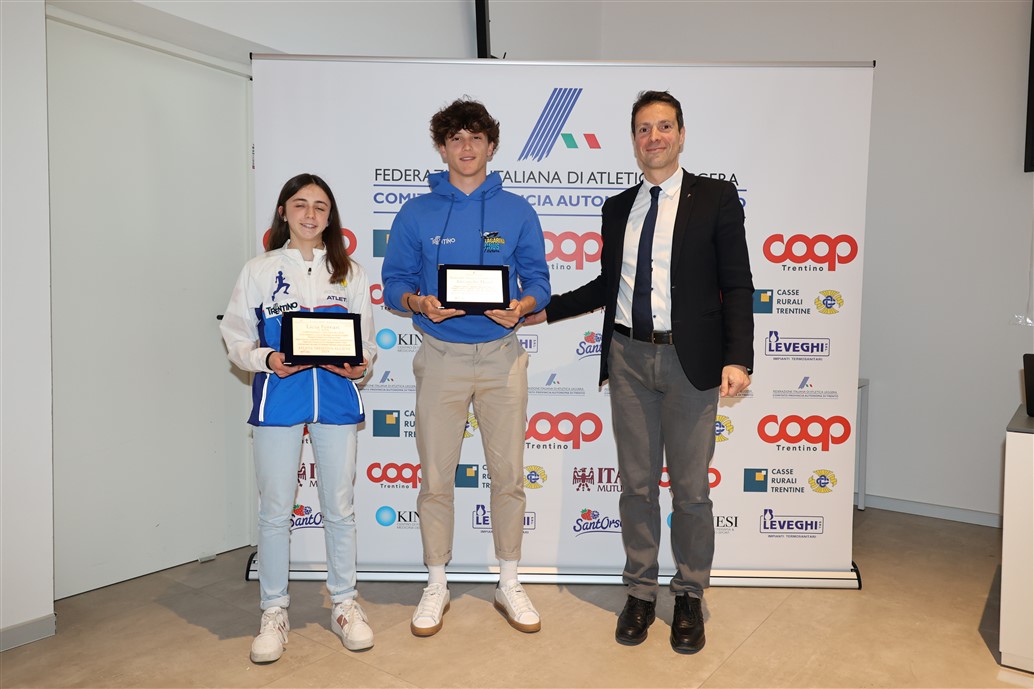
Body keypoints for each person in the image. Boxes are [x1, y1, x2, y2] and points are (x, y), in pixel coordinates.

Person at [524, 91, 754, 654]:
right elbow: (609, 284)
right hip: (627, 358)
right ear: (634, 140)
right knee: (637, 485)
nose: (655, 137)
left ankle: (690, 594)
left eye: (664, 126)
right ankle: (641, 592)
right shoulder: (618, 207)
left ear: (681, 134)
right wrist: (543, 309)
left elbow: (737, 283)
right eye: (644, 129)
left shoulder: (716, 198)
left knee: (692, 491)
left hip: (691, 363)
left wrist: (738, 357)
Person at [381, 98, 551, 637]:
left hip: (502, 356)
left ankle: (509, 579)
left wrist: (523, 306)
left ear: (491, 146)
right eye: (455, 138)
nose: (467, 147)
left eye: (476, 137)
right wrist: (418, 302)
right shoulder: (416, 212)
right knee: (436, 477)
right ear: (441, 148)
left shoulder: (518, 211)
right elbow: (393, 284)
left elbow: (539, 282)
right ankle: (437, 581)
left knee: (509, 476)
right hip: (441, 356)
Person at [221, 173, 377, 662]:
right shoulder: (259, 270)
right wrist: (266, 359)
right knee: (274, 510)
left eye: (320, 206)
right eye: (301, 204)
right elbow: (236, 336)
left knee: (339, 506)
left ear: (330, 217)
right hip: (280, 399)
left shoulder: (350, 272)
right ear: (283, 211)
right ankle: (273, 610)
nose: (310, 214)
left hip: (335, 399)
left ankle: (345, 603)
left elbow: (367, 344)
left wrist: (359, 365)